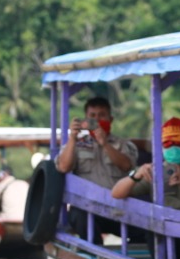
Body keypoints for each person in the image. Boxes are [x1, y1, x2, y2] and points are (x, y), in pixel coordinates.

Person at [56, 95, 139, 239]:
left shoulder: (122, 144)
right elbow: (63, 167)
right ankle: (96, 258)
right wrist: (72, 139)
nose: (98, 120)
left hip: (118, 210)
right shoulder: (76, 144)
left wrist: (105, 143)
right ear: (85, 119)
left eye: (102, 116)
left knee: (144, 231)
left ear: (110, 119)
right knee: (79, 216)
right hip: (86, 209)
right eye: (92, 116)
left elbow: (126, 166)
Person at [111, 118, 180, 216]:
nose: (173, 148)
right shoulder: (155, 170)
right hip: (166, 228)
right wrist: (136, 175)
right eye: (167, 144)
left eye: (178, 143)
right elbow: (116, 193)